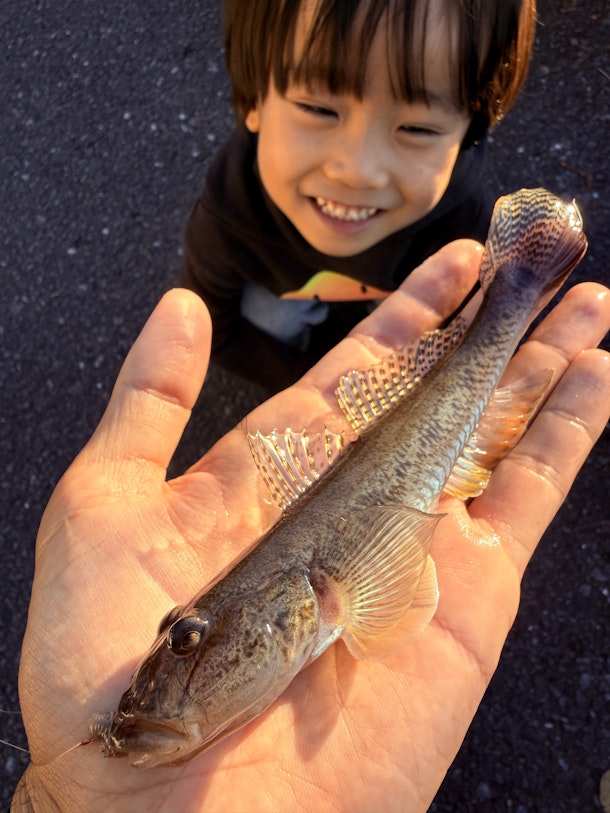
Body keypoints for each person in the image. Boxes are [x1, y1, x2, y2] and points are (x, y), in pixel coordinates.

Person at [12, 241, 610, 812]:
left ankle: (514, 292)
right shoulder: (303, 604)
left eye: (188, 638)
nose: (181, 654)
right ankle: (513, 294)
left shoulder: (324, 592)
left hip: (434, 423)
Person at [180, 0, 537, 390]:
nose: (359, 172)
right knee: (269, 318)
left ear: (468, 133)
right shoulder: (231, 210)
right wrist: (310, 387)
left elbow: (473, 339)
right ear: (254, 100)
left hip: (399, 294)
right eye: (318, 109)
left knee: (431, 306)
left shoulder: (465, 231)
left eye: (418, 129)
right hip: (285, 296)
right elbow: (211, 326)